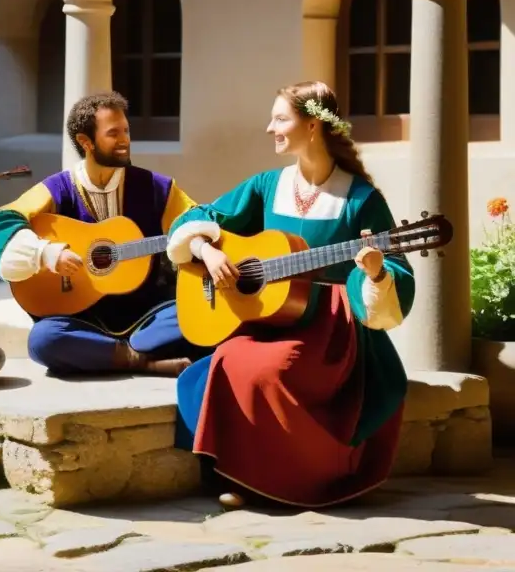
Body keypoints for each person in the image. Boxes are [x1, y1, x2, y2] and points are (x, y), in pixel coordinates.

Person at [166, 80, 415, 509]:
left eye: (280, 118)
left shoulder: (359, 199)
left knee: (270, 370)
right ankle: (237, 475)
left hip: (333, 331)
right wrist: (205, 249)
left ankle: (294, 479)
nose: (270, 128)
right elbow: (197, 216)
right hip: (273, 318)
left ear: (314, 125)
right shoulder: (268, 185)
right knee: (227, 358)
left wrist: (374, 273)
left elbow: (396, 270)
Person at [0, 92, 207, 376]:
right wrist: (46, 253)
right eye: (113, 133)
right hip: (80, 319)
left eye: (126, 130)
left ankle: (108, 354)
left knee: (198, 308)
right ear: (85, 142)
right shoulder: (57, 189)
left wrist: (207, 240)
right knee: (43, 340)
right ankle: (139, 358)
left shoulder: (157, 187)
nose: (125, 140)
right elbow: (2, 224)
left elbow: (196, 218)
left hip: (147, 315)